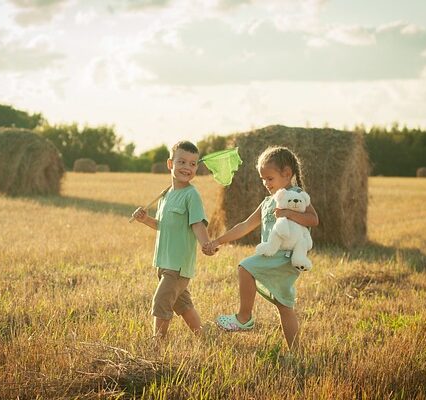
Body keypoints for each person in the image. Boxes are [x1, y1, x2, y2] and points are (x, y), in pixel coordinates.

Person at [203, 146, 319, 351]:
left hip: (285, 257)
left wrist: (287, 214)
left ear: (287, 174)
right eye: (262, 179)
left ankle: (244, 317)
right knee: (285, 307)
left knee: (245, 267)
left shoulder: (296, 195)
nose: (266, 183)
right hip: (275, 256)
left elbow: (313, 219)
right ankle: (297, 352)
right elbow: (245, 225)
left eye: (270, 178)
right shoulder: (267, 202)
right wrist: (218, 241)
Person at [132, 140, 215, 340]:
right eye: (182, 162)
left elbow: (197, 223)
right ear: (170, 164)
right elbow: (163, 225)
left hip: (178, 265)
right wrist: (145, 220)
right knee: (182, 304)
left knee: (161, 301)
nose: (187, 168)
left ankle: (156, 344)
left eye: (193, 164)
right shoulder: (166, 195)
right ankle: (202, 336)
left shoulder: (191, 195)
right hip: (163, 262)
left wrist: (206, 243)